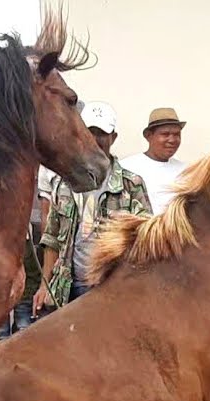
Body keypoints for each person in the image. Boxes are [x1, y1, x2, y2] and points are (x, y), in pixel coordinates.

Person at [36, 102, 151, 309]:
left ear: (113, 138)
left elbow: (145, 240)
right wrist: (45, 285)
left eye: (102, 134)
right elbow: (52, 238)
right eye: (90, 132)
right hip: (66, 288)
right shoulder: (65, 183)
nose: (96, 140)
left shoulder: (131, 184)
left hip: (110, 288)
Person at [120, 108, 187, 215]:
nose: (172, 140)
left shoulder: (186, 171)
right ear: (148, 136)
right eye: (165, 134)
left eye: (177, 134)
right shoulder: (126, 168)